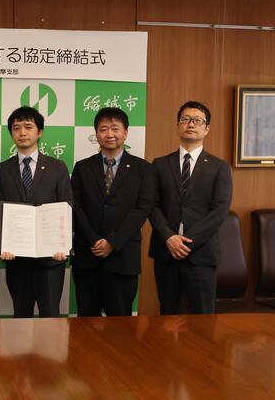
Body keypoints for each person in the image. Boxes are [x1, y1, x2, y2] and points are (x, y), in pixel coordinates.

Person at [149, 101, 233, 314]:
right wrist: (169, 237)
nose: (191, 124)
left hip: (201, 254)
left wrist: (186, 242)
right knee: (168, 315)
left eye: (197, 120)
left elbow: (220, 210)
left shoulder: (219, 167)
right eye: (185, 119)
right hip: (166, 252)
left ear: (206, 129)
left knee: (203, 318)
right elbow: (152, 205)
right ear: (178, 125)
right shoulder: (159, 164)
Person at [71, 107, 154, 317]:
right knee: (86, 324)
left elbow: (142, 208)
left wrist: (113, 243)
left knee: (121, 327)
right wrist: (94, 240)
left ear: (125, 132)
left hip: (122, 257)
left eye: (115, 128)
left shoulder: (142, 168)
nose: (109, 134)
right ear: (96, 134)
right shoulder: (82, 168)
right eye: (103, 129)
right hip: (88, 257)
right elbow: (75, 206)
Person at [0, 106, 71, 318]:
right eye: (16, 128)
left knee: (50, 316)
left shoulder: (57, 167)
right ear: (11, 133)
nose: (22, 132)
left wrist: (62, 245)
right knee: (21, 315)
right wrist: (3, 245)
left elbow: (66, 207)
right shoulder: (2, 169)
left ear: (40, 131)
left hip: (51, 258)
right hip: (17, 258)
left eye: (28, 127)